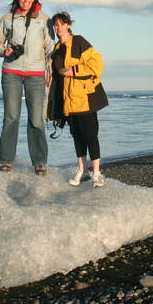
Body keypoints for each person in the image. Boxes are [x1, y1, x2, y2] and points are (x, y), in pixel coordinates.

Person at [0, 0, 54, 174]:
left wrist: (49, 73)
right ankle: (6, 161)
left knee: (36, 119)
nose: (25, 0)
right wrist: (5, 51)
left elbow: (50, 48)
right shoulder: (7, 18)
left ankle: (40, 162)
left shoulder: (45, 20)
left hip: (36, 74)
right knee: (11, 118)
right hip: (11, 72)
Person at [47, 12, 108, 187]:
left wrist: (75, 71)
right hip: (68, 101)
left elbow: (97, 64)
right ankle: (81, 170)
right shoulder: (57, 48)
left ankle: (97, 173)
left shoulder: (79, 41)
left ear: (68, 25)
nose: (58, 28)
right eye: (55, 25)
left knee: (90, 135)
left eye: (61, 24)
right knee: (77, 136)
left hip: (85, 97)